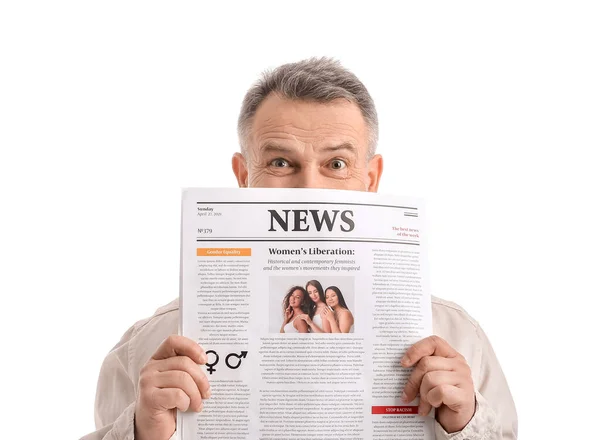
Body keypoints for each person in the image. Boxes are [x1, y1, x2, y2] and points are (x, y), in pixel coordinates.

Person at [81, 57, 518, 440]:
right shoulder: (151, 349)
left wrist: (466, 426)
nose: (310, 188)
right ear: (242, 174)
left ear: (371, 178)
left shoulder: (457, 338)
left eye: (337, 164)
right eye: (280, 162)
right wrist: (143, 434)